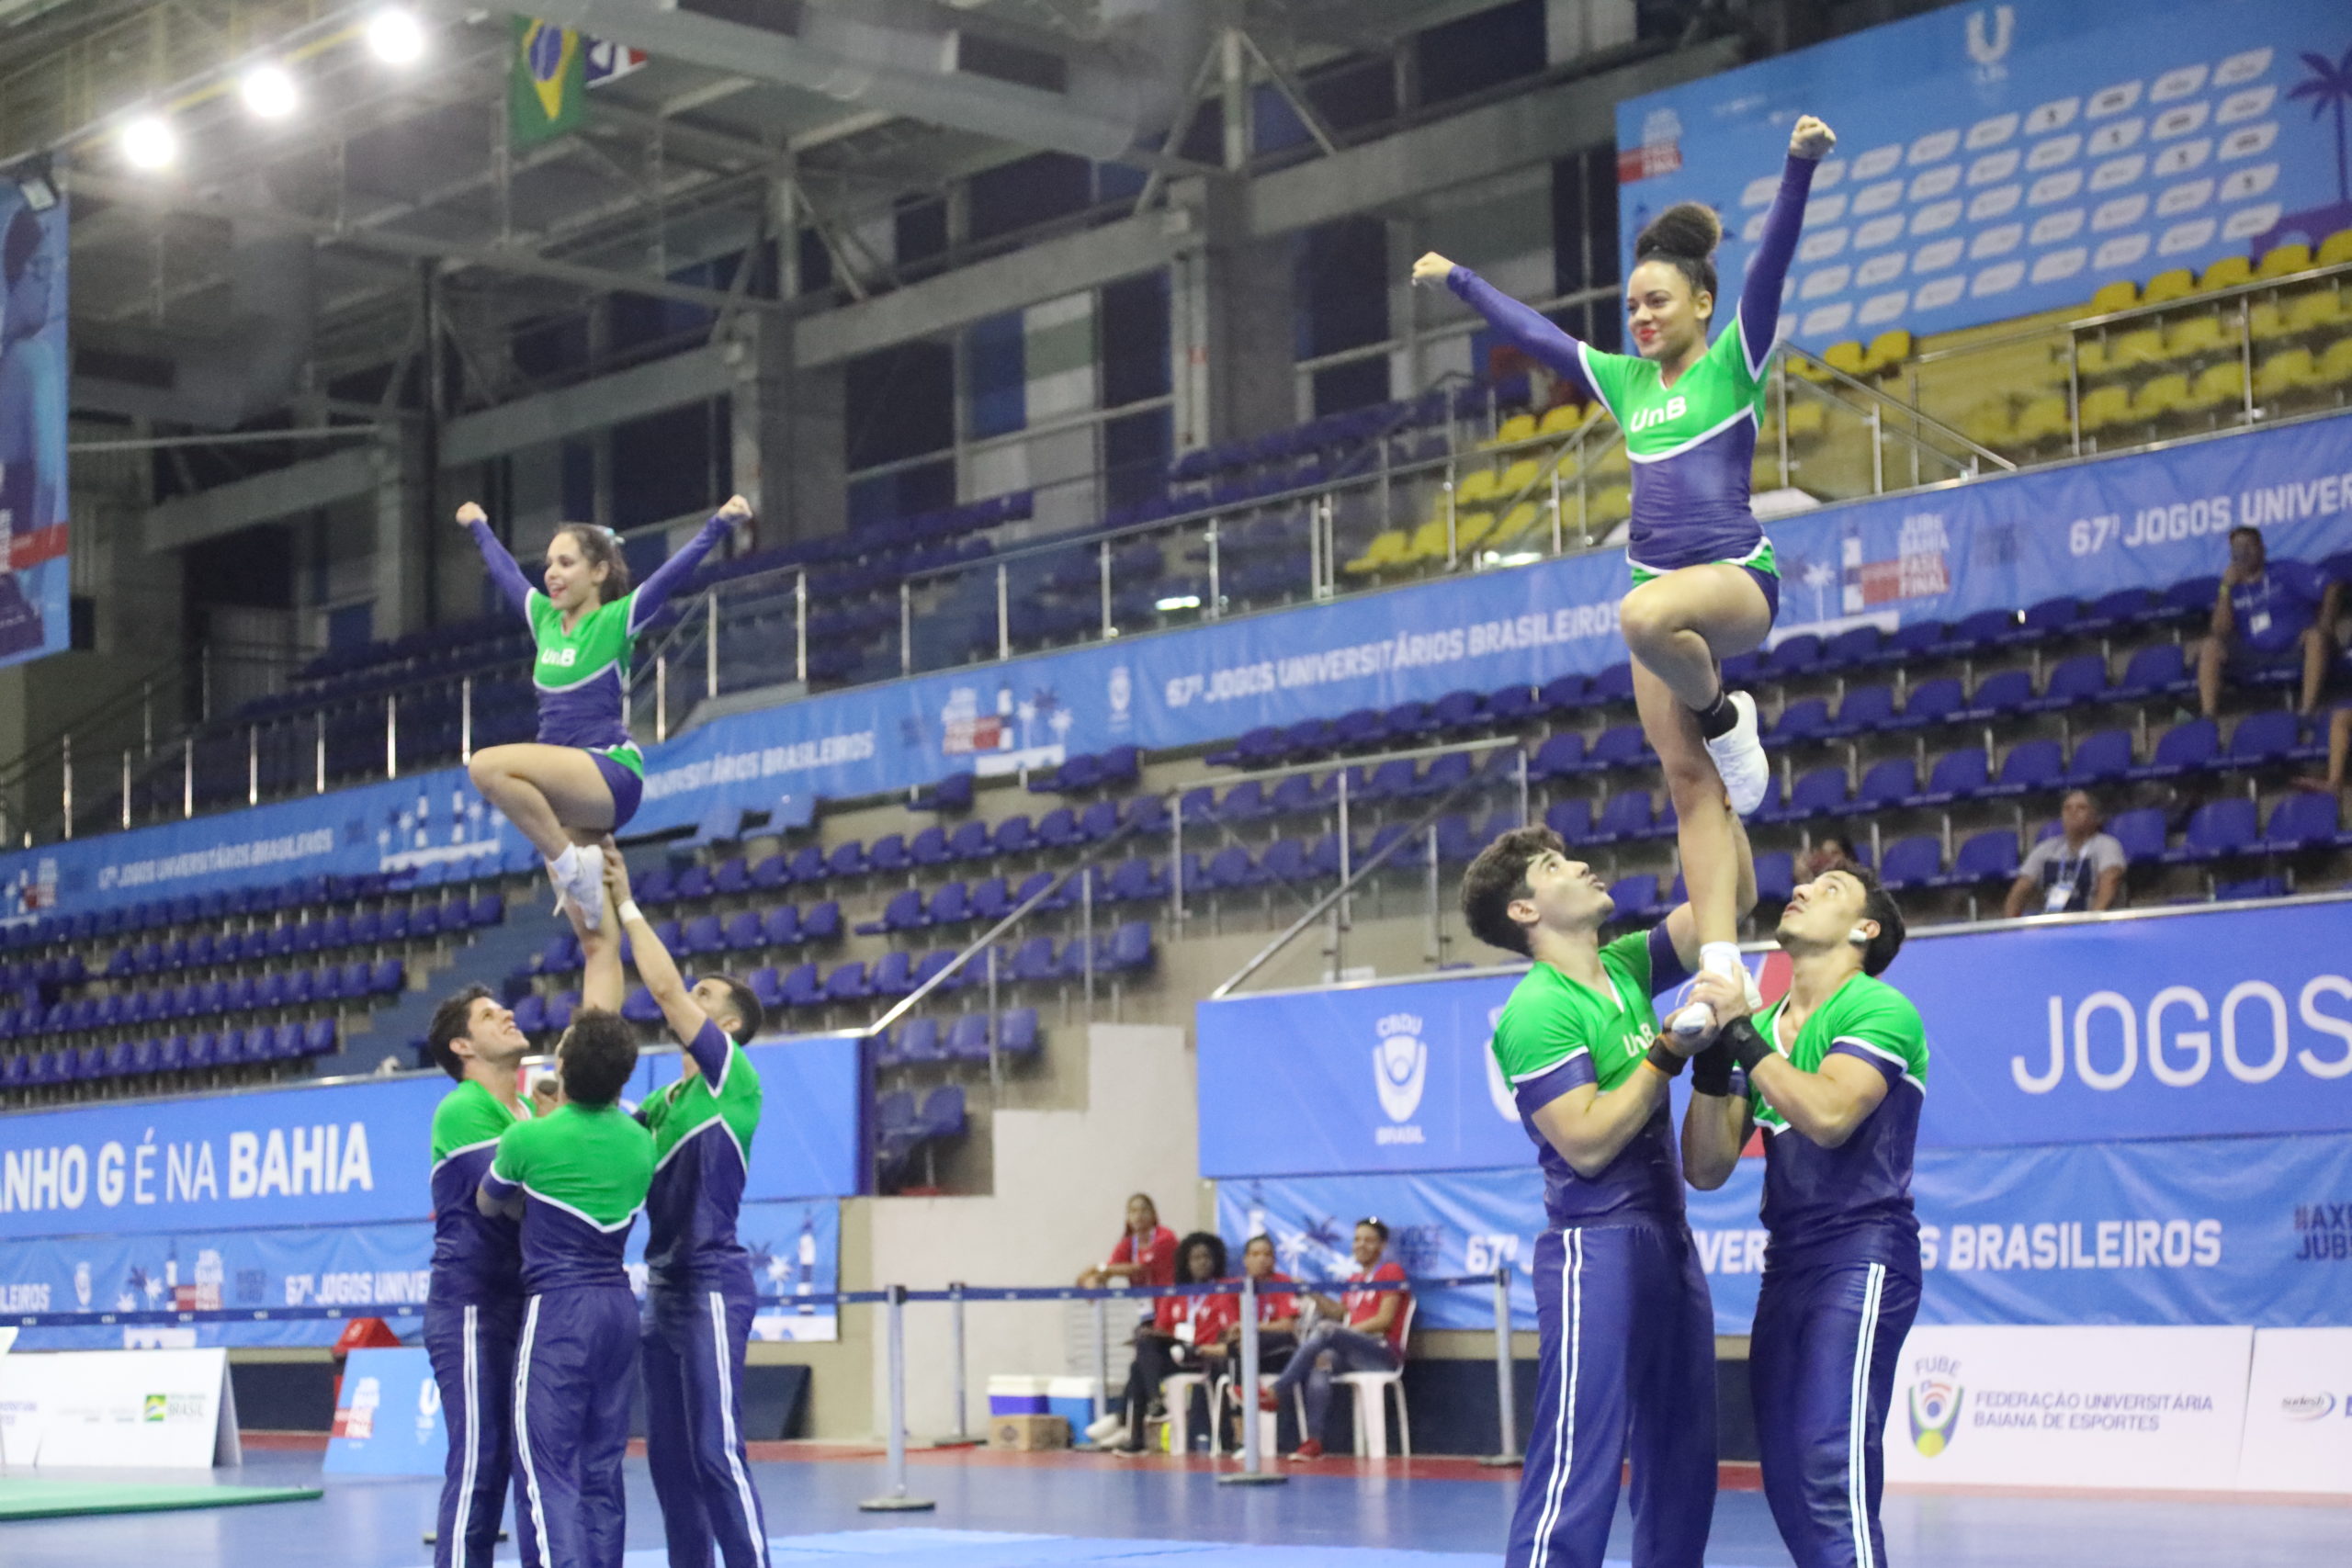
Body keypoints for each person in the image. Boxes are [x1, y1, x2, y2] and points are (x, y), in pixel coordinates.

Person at [1415, 115, 1836, 1043]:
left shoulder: (1733, 361)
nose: (1641, 317)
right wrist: (1460, 281)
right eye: (1634, 305)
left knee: (1641, 618)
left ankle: (1725, 714)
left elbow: (1770, 267)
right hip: (1661, 591)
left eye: (1659, 302)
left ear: (1701, 303)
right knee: (1689, 785)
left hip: (1732, 583)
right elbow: (1535, 334)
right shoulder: (1625, 383)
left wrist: (1797, 167)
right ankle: (1721, 963)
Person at [1461, 802, 1757, 1568]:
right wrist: (1664, 1054)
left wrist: (1717, 793)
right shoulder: (1537, 1007)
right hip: (1594, 1247)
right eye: (1555, 866)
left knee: (1683, 1461)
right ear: (1525, 910)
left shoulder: (1625, 966)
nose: (1582, 865)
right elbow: (1588, 1142)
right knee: (1578, 1460)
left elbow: (1731, 900)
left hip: (1668, 1240)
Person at [1682, 863, 1926, 1568]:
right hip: (1786, 1267)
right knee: (1789, 1477)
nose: (1803, 888)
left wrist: (1742, 1036)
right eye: (1806, 882)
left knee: (1828, 1464)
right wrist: (1711, 1063)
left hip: (1862, 1255)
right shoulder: (1760, 1028)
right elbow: (1705, 1166)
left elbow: (1828, 1115)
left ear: (1864, 929)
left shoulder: (1879, 1007)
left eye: (1830, 888)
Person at [421, 894, 618, 1568]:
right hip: (472, 1307)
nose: (507, 1014)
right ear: (462, 1046)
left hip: (528, 1308)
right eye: (487, 1016)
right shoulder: (463, 1108)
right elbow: (513, 1203)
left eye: (502, 1008)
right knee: (480, 1463)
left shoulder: (525, 1117)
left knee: (528, 1461)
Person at [458, 495, 751, 927]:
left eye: (566, 563)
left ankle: (570, 866)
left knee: (485, 767)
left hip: (609, 772)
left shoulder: (615, 620)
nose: (551, 573)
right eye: (549, 564)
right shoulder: (544, 619)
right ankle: (575, 872)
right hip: (570, 791)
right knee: (595, 937)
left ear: (598, 572)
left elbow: (670, 577)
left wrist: (719, 524)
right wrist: (479, 525)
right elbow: (507, 574)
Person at [603, 851, 771, 1568]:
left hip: (711, 1285)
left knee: (715, 1450)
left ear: (724, 1022)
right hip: (662, 1291)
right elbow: (604, 1138)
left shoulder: (733, 1080)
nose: (684, 995)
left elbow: (666, 989)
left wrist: (624, 905)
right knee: (670, 1465)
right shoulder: (661, 1102)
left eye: (704, 993)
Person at [479, 1003, 654, 1568]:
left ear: (562, 1067)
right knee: (601, 1469)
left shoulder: (529, 1139)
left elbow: (488, 1203)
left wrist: (530, 1200)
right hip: (618, 1309)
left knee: (546, 1469)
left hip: (559, 1310)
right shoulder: (641, 1142)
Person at [1257, 1218, 1411, 1461]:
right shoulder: (1354, 1280)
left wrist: (1341, 1333)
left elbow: (1384, 1320)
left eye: (1369, 1240)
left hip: (1382, 1352)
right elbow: (1340, 1314)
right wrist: (1312, 1292)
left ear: (1382, 1246)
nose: (1361, 1245)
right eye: (1357, 1239)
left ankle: (1277, 1390)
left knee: (1327, 1329)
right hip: (1355, 1352)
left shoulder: (1390, 1271)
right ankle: (1314, 1441)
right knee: (1322, 1361)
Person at [0, 200, 64, 658]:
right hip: (18, 566)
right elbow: (46, 476)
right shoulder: (33, 360)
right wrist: (32, 582)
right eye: (40, 270)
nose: (49, 282)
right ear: (13, 275)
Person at [1104, 1231, 1229, 1455]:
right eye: (1196, 1258)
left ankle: (1137, 1425)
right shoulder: (1175, 1292)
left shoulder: (1224, 1290)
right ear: (1186, 1262)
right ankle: (1151, 1409)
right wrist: (1148, 1333)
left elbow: (1228, 1329)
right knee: (1141, 1354)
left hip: (1202, 1353)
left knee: (1139, 1364)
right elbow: (1163, 1329)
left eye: (1206, 1257)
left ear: (1216, 1260)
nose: (1202, 1262)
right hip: (1175, 1352)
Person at [2199, 525, 2340, 721]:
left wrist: (2326, 623)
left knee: (2316, 638)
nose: (2242, 552)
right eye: (2237, 548)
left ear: (2262, 549)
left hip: (2294, 646)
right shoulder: (2231, 587)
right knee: (2210, 646)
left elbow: (2331, 586)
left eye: (2248, 546)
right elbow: (2219, 630)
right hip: (2252, 652)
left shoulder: (2285, 569)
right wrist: (2225, 588)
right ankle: (2207, 719)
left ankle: (2306, 712)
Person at [1201, 1234, 1299, 1450]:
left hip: (1280, 1353)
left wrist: (1250, 1327)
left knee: (1242, 1347)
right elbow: (1232, 1330)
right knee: (1239, 1350)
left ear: (1274, 1260)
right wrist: (1244, 1331)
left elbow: (1287, 1326)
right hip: (1248, 1352)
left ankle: (1241, 1435)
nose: (1262, 1259)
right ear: (1245, 1260)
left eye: (1267, 1254)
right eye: (1255, 1254)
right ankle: (1239, 1433)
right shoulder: (1236, 1287)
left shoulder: (1282, 1283)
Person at [2003, 790, 2127, 918]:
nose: (2073, 812)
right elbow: (2019, 891)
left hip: (2093, 923)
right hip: (2054, 922)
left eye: (2081, 808)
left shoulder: (2107, 845)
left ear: (2095, 816)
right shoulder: (2045, 849)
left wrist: (2091, 920)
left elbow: (2109, 884)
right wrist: (2011, 925)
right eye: (2067, 808)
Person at [1077, 1192, 1178, 1290]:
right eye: (1133, 1211)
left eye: (1144, 1210)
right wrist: (1094, 1279)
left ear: (1154, 1215)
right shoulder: (1128, 1243)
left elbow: (1139, 1268)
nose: (1139, 1215)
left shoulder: (1165, 1237)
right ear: (1128, 1218)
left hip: (1171, 1297)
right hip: (1143, 1299)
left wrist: (1096, 1268)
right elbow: (1112, 1269)